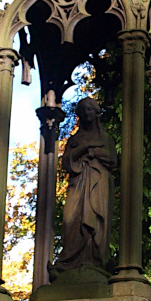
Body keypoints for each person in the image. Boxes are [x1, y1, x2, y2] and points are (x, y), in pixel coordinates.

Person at [53, 97, 117, 273]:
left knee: (96, 219)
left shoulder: (106, 138)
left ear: (96, 113)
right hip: (78, 183)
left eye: (89, 109)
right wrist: (83, 148)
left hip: (99, 184)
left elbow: (112, 159)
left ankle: (95, 260)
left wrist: (93, 152)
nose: (86, 113)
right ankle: (71, 261)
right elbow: (66, 161)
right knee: (72, 219)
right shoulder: (75, 139)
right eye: (82, 111)